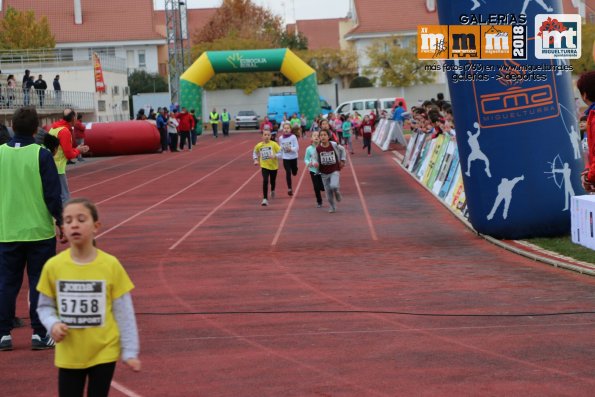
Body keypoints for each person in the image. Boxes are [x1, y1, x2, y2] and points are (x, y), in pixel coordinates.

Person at [37, 198, 141, 396]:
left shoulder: (110, 265)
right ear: (63, 229)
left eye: (81, 219)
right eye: (67, 220)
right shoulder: (53, 267)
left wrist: (129, 351)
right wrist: (53, 324)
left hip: (103, 350)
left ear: (96, 226)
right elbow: (44, 307)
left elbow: (124, 310)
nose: (74, 224)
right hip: (70, 352)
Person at [0, 106, 63, 351]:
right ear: (37, 128)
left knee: (6, 283)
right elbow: (52, 194)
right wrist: (60, 220)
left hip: (7, 231)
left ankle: (3, 334)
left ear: (12, 127)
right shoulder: (42, 155)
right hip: (39, 231)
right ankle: (39, 333)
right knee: (39, 283)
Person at [48, 109, 90, 203]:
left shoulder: (54, 128)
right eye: (76, 116)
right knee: (65, 197)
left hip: (50, 165)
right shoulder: (64, 131)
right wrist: (78, 150)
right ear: (73, 118)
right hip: (58, 168)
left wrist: (77, 149)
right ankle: (64, 216)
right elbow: (68, 154)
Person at [315, 129, 346, 213]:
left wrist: (343, 160)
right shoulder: (318, 148)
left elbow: (343, 149)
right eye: (321, 135)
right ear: (319, 138)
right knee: (328, 194)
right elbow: (315, 159)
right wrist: (315, 163)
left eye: (325, 135)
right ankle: (332, 206)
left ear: (329, 137)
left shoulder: (334, 145)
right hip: (324, 173)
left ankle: (337, 192)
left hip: (334, 170)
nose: (323, 137)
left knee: (334, 185)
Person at [253, 125, 282, 206]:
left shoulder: (274, 144)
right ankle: (265, 199)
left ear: (271, 136)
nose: (267, 136)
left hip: (274, 166)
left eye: (268, 135)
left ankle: (272, 190)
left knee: (272, 181)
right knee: (265, 181)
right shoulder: (259, 145)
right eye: (265, 135)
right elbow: (254, 152)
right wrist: (255, 160)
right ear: (262, 136)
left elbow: (281, 153)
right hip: (264, 166)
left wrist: (275, 155)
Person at [277, 122, 300, 196]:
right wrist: (276, 155)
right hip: (285, 158)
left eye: (287, 128)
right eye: (285, 128)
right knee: (288, 172)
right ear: (282, 129)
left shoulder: (293, 137)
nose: (286, 130)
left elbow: (297, 147)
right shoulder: (280, 138)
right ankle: (289, 188)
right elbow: (280, 149)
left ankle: (295, 169)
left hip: (293, 157)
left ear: (290, 129)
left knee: (294, 172)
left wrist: (291, 149)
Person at [304, 131, 325, 208]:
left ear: (320, 138)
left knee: (322, 187)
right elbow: (305, 159)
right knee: (316, 187)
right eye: (314, 136)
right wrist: (308, 163)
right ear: (311, 138)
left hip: (322, 170)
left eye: (318, 135)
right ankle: (319, 201)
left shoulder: (323, 147)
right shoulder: (309, 149)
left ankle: (324, 188)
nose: (316, 137)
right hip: (313, 170)